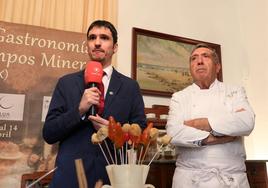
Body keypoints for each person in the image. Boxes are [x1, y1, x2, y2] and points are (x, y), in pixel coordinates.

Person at [43, 20, 146, 188]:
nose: (97, 42)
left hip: (112, 179)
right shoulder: (66, 83)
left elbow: (140, 136)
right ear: (87, 45)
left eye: (104, 38)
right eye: (92, 38)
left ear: (115, 47)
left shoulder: (130, 87)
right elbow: (49, 133)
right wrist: (80, 110)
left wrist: (114, 132)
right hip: (71, 178)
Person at [166, 43, 255, 188]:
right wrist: (217, 137)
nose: (199, 61)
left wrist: (199, 123)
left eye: (205, 56)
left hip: (231, 179)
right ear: (190, 68)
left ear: (218, 67)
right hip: (190, 180)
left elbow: (246, 122)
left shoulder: (235, 92)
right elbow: (174, 133)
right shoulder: (180, 97)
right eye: (194, 58)